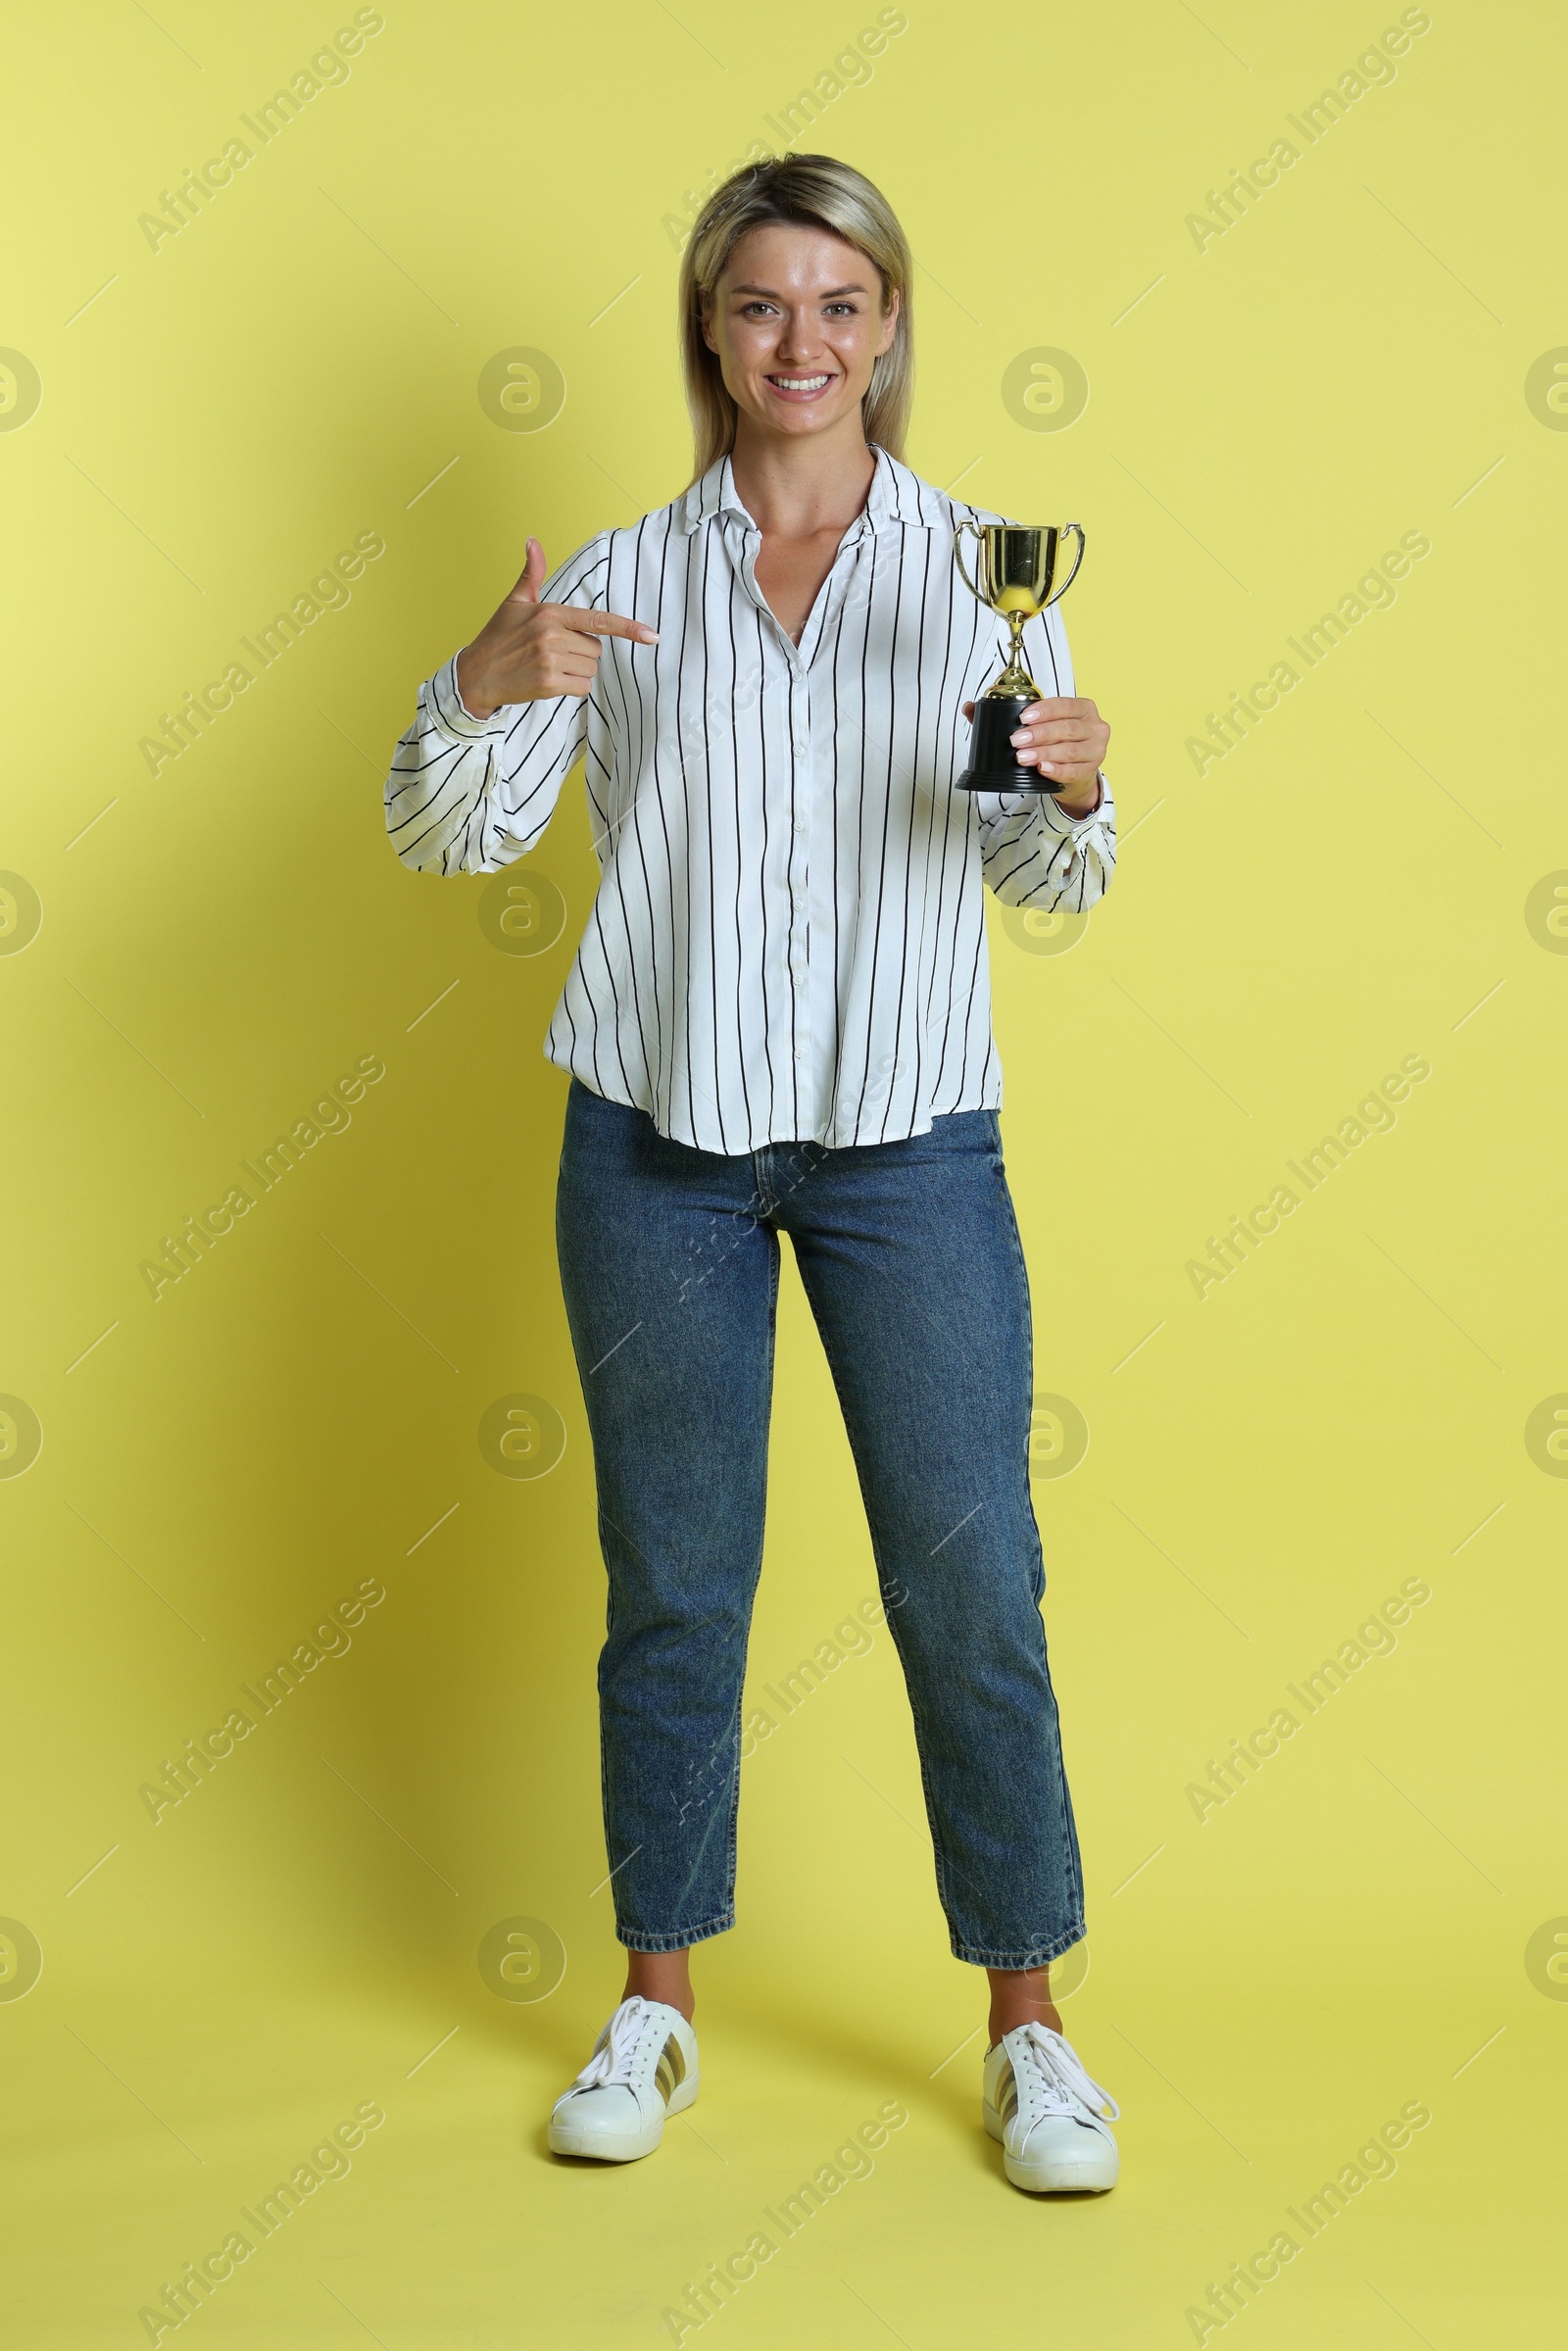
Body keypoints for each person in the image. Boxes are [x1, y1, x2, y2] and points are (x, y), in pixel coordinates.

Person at [383, 153, 1120, 2195]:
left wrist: (1074, 778)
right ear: (707, 330)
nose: (798, 344)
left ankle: (1030, 2027)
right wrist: (478, 682)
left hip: (907, 1149)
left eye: (837, 305)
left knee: (971, 1582)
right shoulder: (615, 580)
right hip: (653, 1144)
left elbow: (1054, 874)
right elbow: (447, 837)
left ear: (886, 328)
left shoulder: (989, 571)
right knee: (673, 1586)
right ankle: (654, 2003)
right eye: (757, 306)